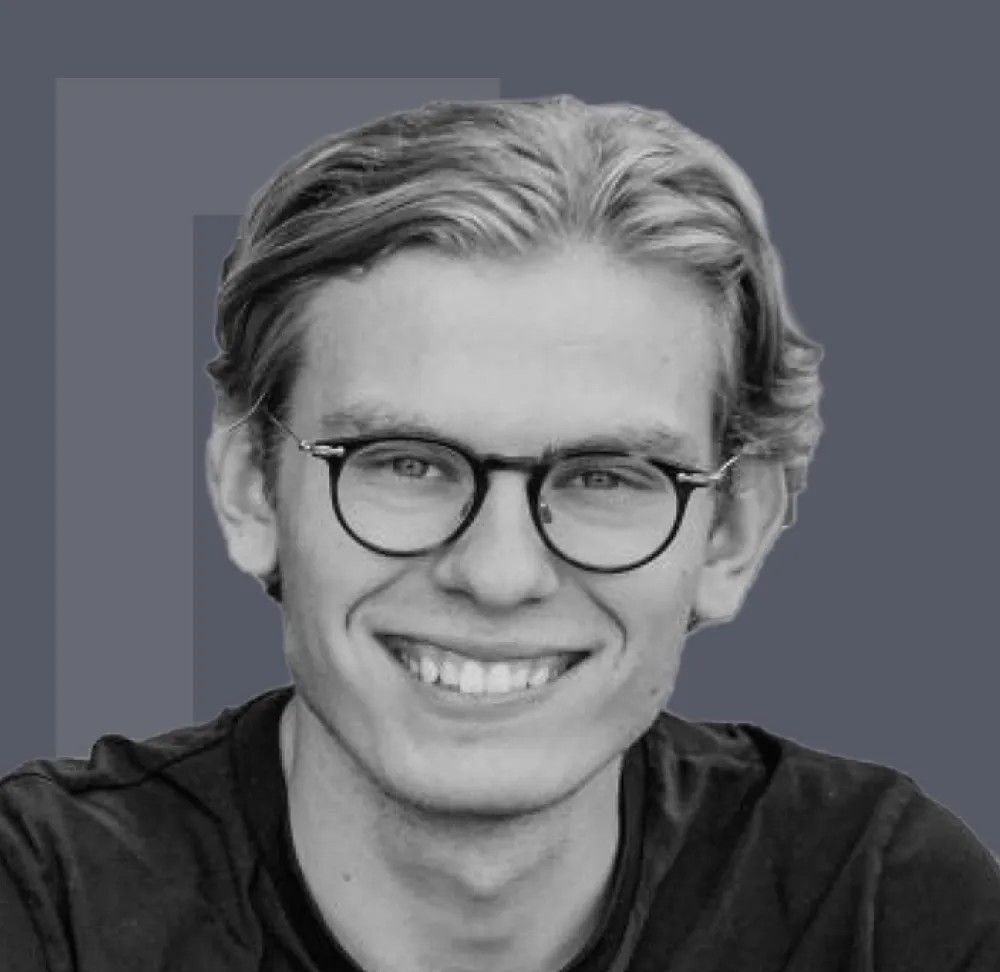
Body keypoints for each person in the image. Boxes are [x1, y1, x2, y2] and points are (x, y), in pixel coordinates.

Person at [1, 95, 997, 971]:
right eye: (404, 463)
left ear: (732, 533)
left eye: (606, 476)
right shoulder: (43, 903)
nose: (499, 573)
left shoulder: (876, 905)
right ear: (252, 491)